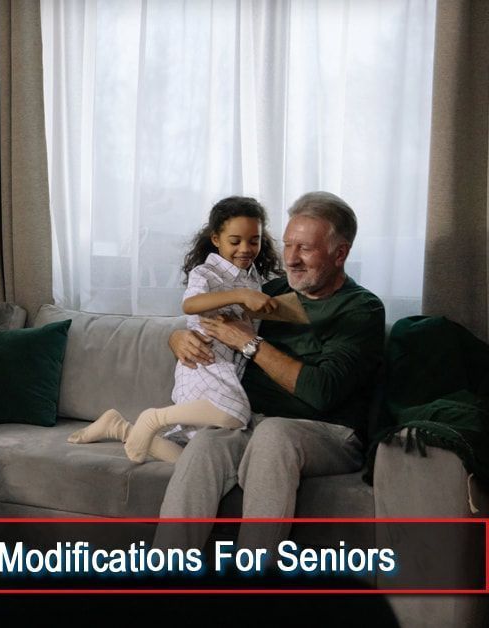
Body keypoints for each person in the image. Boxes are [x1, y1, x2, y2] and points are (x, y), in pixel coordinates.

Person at [155, 191, 385, 552]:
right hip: (254, 421)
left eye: (305, 248)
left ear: (340, 253)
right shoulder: (270, 292)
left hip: (330, 432)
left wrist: (251, 343)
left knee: (274, 435)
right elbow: (207, 321)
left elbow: (322, 391)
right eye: (288, 244)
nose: (290, 259)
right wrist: (177, 338)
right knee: (207, 445)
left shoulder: (361, 309)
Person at [68, 197, 284, 463]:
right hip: (204, 361)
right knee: (237, 414)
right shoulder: (207, 273)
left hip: (229, 368)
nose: (246, 248)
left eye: (254, 240)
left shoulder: (255, 280)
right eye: (235, 240)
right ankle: (154, 417)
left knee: (191, 458)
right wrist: (239, 295)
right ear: (216, 239)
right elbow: (190, 304)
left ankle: (119, 427)